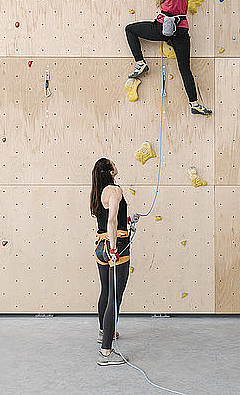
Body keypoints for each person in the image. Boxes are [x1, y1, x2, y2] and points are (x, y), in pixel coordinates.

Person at [125, 0, 212, 116]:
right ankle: (194, 103)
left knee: (130, 30)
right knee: (184, 69)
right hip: (180, 30)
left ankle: (140, 62)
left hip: (161, 27)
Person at [90, 157, 130, 366]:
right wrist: (114, 248)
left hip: (100, 247)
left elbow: (110, 218)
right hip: (116, 247)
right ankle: (106, 352)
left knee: (106, 291)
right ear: (111, 171)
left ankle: (103, 332)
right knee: (114, 297)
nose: (116, 164)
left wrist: (128, 220)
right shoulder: (114, 190)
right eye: (114, 163)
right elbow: (112, 220)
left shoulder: (98, 192)